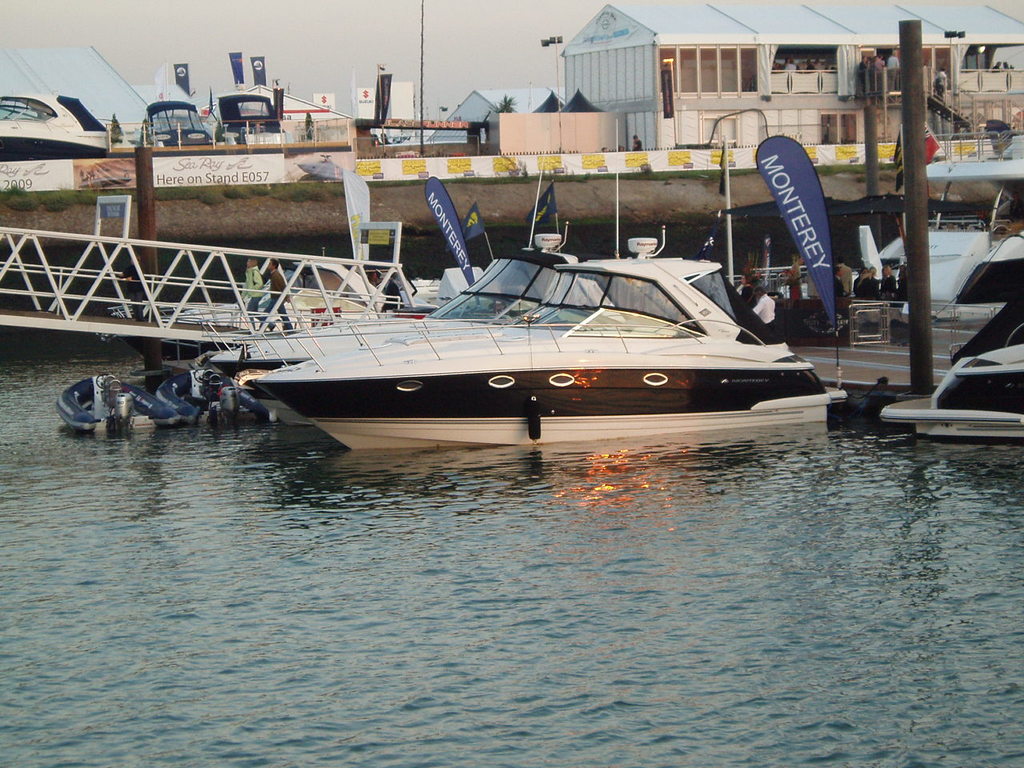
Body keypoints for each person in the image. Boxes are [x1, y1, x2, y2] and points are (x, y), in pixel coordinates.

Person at [267, 258, 292, 331]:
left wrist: (285, 296)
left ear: (274, 266)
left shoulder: (276, 275)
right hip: (277, 297)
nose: (268, 265)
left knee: (265, 313)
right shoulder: (275, 274)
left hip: (276, 298)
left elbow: (281, 286)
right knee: (283, 314)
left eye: (269, 264)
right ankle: (290, 328)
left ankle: (267, 326)